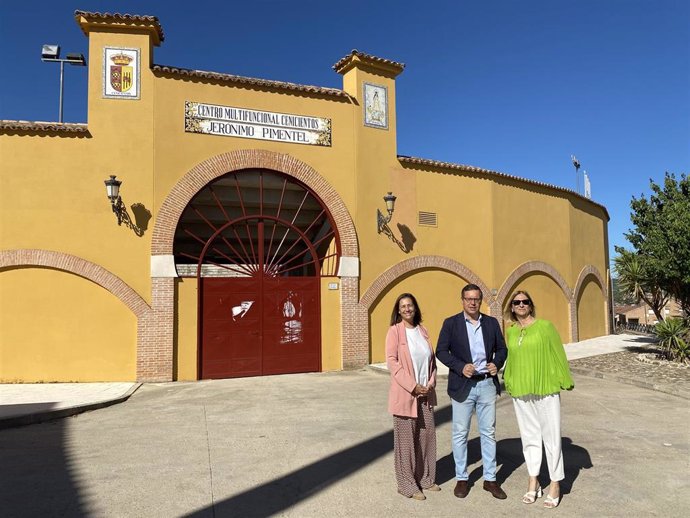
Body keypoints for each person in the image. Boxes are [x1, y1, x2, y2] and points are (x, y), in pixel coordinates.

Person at [503, 290, 574, 509]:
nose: (521, 305)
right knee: (529, 437)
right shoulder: (512, 331)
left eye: (525, 301)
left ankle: (555, 483)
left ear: (531, 306)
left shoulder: (545, 327)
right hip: (522, 390)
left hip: (546, 387)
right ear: (512, 308)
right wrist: (509, 381)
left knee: (551, 437)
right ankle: (533, 480)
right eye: (517, 302)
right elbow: (511, 358)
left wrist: (565, 378)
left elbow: (558, 353)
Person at [436, 284, 508, 500]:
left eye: (476, 299)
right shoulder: (451, 323)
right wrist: (459, 366)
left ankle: (490, 479)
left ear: (480, 300)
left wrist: (497, 362)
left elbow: (502, 349)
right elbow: (440, 351)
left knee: (488, 432)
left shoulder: (492, 323)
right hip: (463, 384)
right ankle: (462, 478)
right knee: (460, 433)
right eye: (468, 299)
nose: (472, 302)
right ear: (462, 300)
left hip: (486, 384)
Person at [386, 293, 440, 501]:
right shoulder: (395, 332)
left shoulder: (422, 331)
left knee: (426, 438)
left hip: (425, 394)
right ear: (398, 311)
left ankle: (425, 478)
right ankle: (407, 484)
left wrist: (430, 382)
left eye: (410, 305)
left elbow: (432, 362)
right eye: (403, 306)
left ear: (415, 308)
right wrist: (413, 386)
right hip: (406, 394)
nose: (407, 309)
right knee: (406, 442)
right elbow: (393, 363)